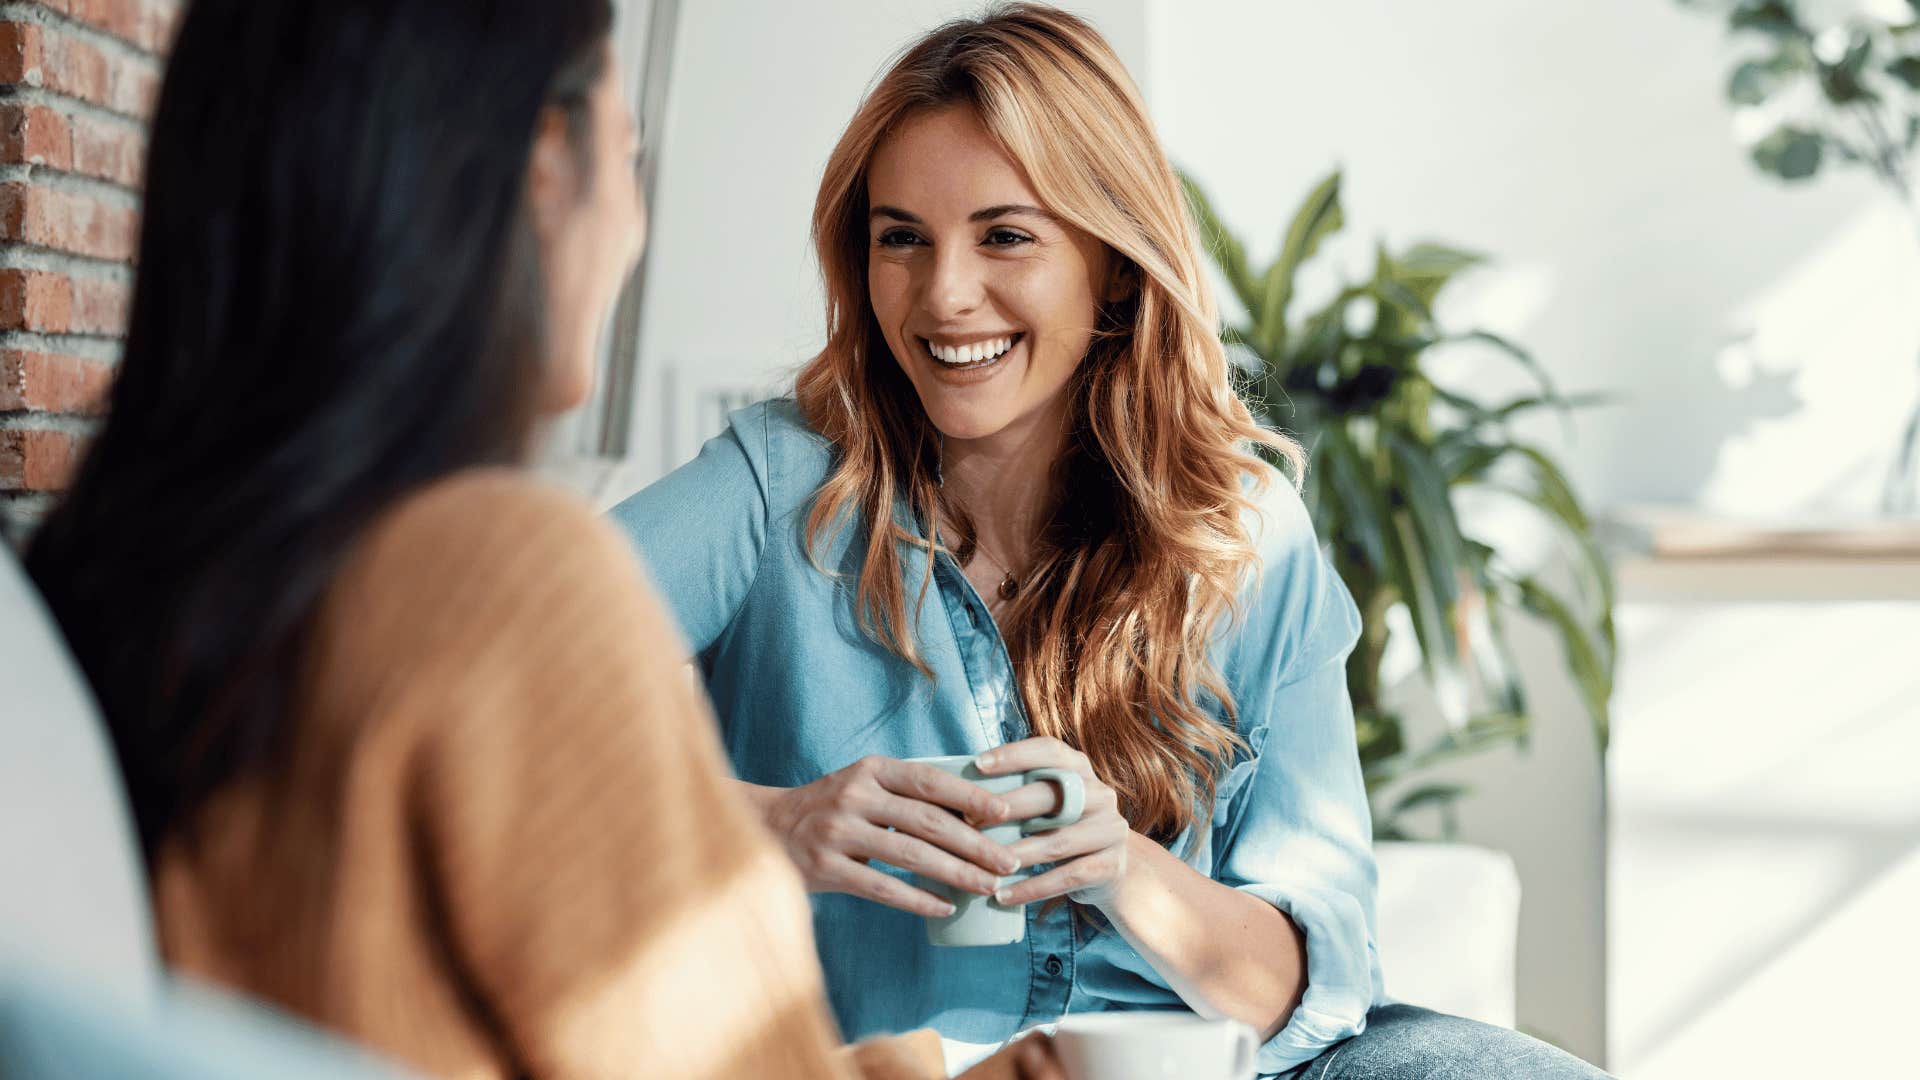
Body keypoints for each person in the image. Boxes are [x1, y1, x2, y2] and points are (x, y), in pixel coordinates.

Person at [24, 2, 1060, 1078]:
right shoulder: (502, 579)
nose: (635, 218)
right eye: (628, 151)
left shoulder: (144, 576)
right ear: (544, 166)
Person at [611, 5, 1611, 1079]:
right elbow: (475, 692)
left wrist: (1119, 866)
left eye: (1005, 235)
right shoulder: (784, 485)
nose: (944, 294)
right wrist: (773, 821)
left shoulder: (1243, 535)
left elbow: (1306, 996)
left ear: (1115, 265)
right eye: (902, 237)